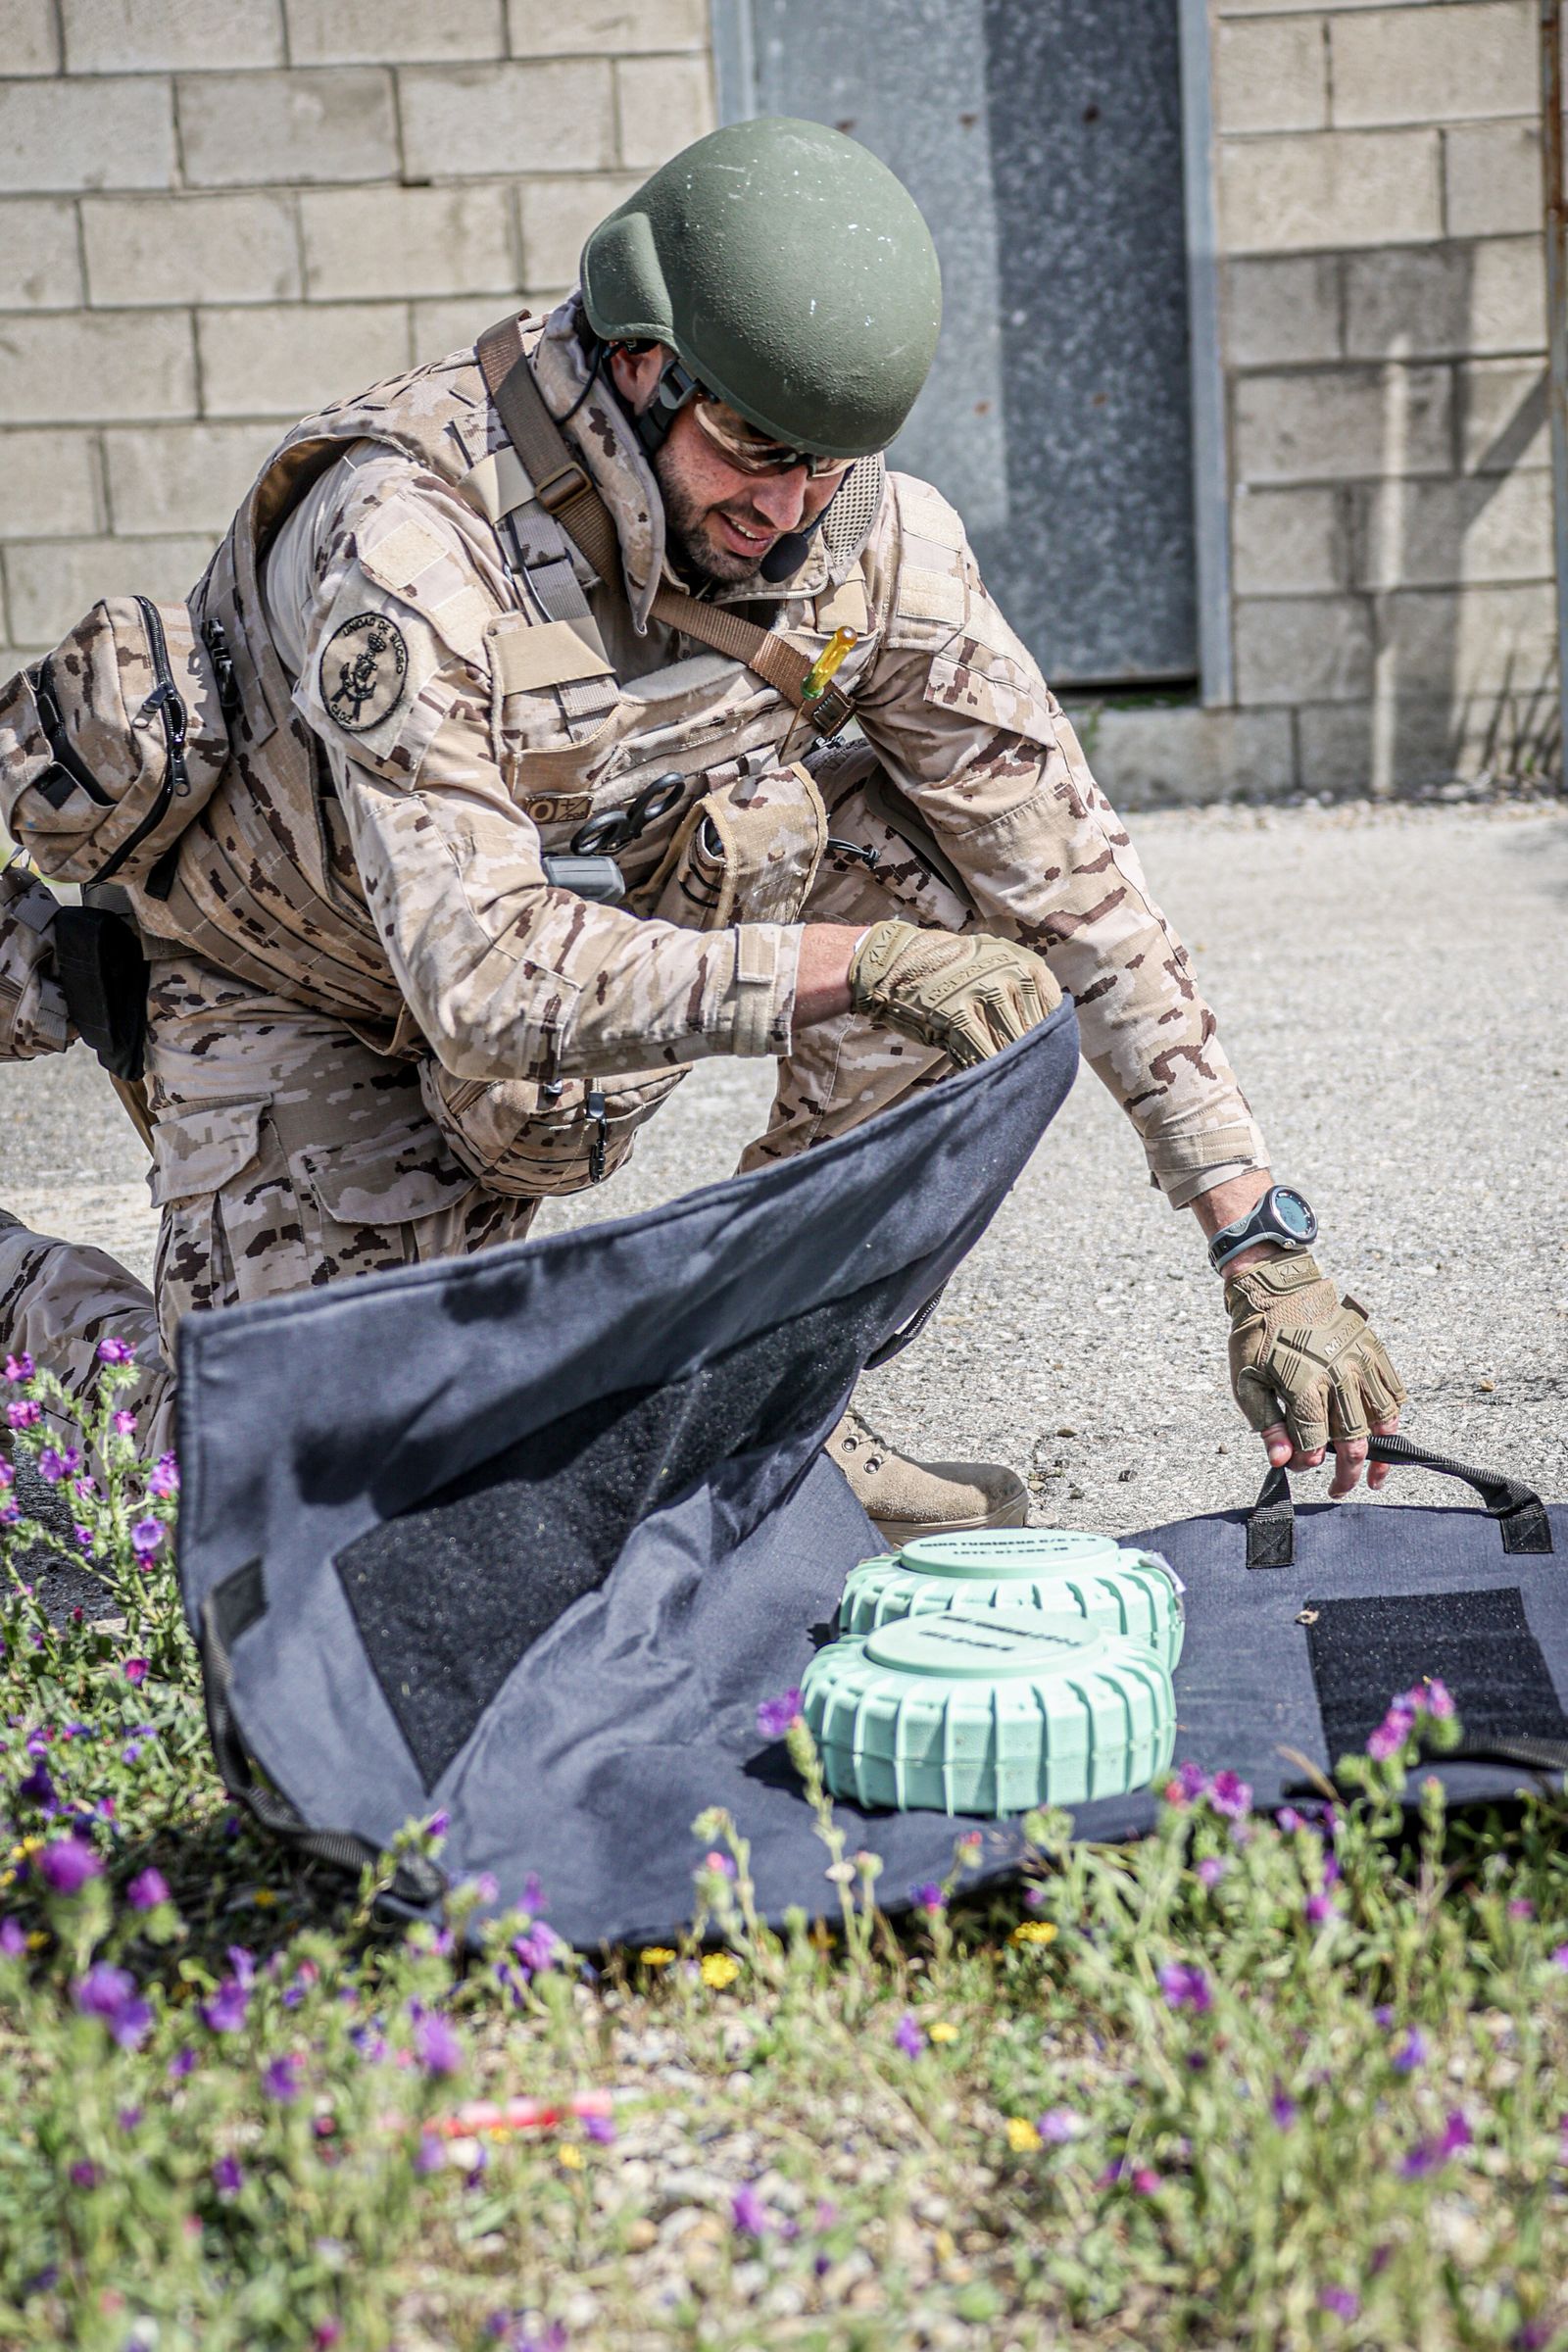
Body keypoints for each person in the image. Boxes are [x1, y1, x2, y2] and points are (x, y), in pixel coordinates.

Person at [0, 118, 1403, 1538]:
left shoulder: (861, 543)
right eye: (749, 445)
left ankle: (770, 1414)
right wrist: (849, 968)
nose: (786, 508)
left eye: (829, 461)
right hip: (298, 995)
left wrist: (1259, 1242)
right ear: (637, 361)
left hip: (576, 1012)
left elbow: (1070, 877)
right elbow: (481, 981)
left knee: (946, 889)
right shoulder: (412, 536)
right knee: (265, 1519)